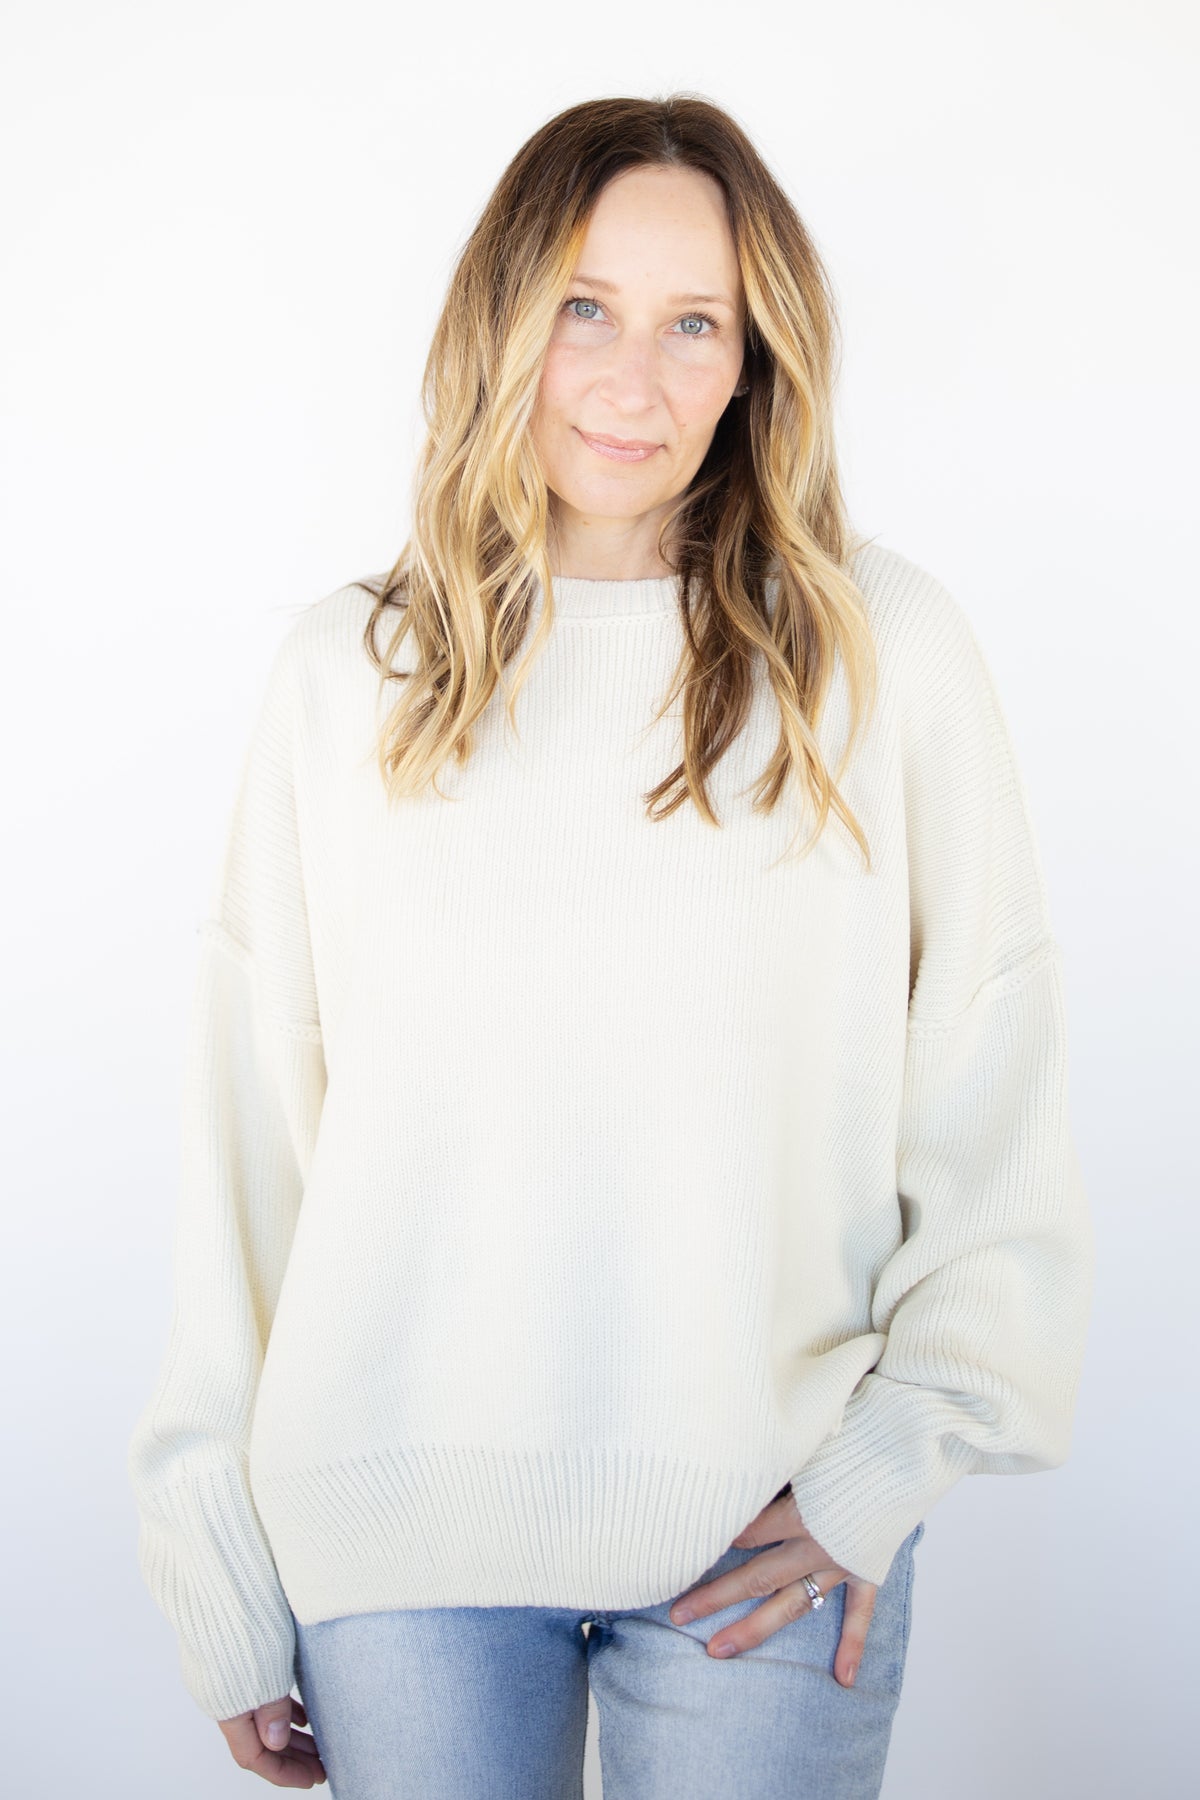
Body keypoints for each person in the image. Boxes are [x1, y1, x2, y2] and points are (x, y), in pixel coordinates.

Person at [126, 94, 1095, 1797]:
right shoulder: (350, 677)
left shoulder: (878, 657)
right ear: (504, 318)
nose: (633, 381)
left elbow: (987, 1084)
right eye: (586, 307)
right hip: (397, 1528)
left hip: (764, 1524)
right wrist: (214, 1556)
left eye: (693, 323)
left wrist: (886, 1468)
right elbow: (249, 1156)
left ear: (755, 362)